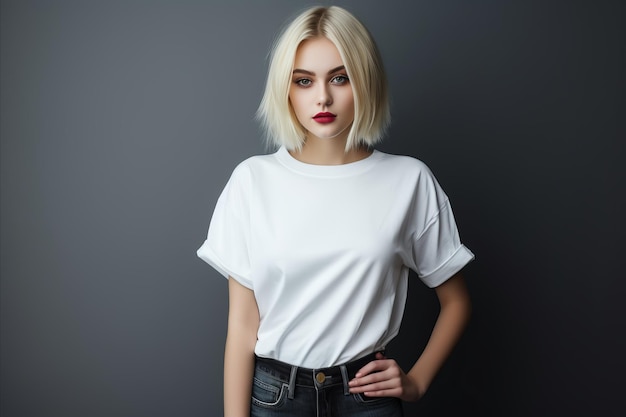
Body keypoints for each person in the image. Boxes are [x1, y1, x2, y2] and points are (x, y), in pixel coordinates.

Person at [197, 5, 475, 416]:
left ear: (365, 82)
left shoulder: (408, 180)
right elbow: (241, 327)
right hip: (275, 399)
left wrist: (415, 382)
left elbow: (458, 301)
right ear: (285, 89)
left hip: (367, 399)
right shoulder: (252, 181)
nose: (322, 97)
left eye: (340, 78)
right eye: (304, 81)